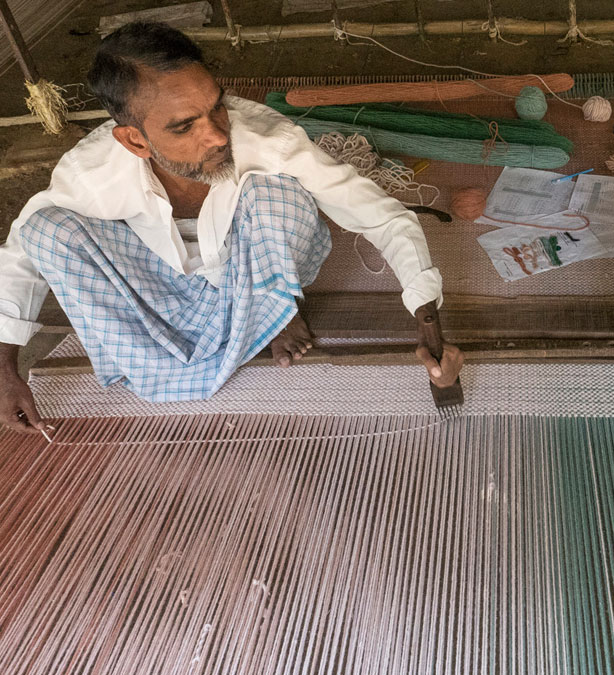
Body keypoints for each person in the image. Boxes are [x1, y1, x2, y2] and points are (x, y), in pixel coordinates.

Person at [0, 22, 463, 433]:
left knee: (276, 190)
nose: (218, 135)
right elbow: (22, 253)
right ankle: (251, 324)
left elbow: (380, 213)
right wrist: (4, 370)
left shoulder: (267, 140)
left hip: (255, 262)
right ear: (135, 140)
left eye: (216, 107)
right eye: (185, 126)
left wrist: (427, 318)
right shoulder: (90, 172)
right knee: (45, 229)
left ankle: (278, 309)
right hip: (163, 282)